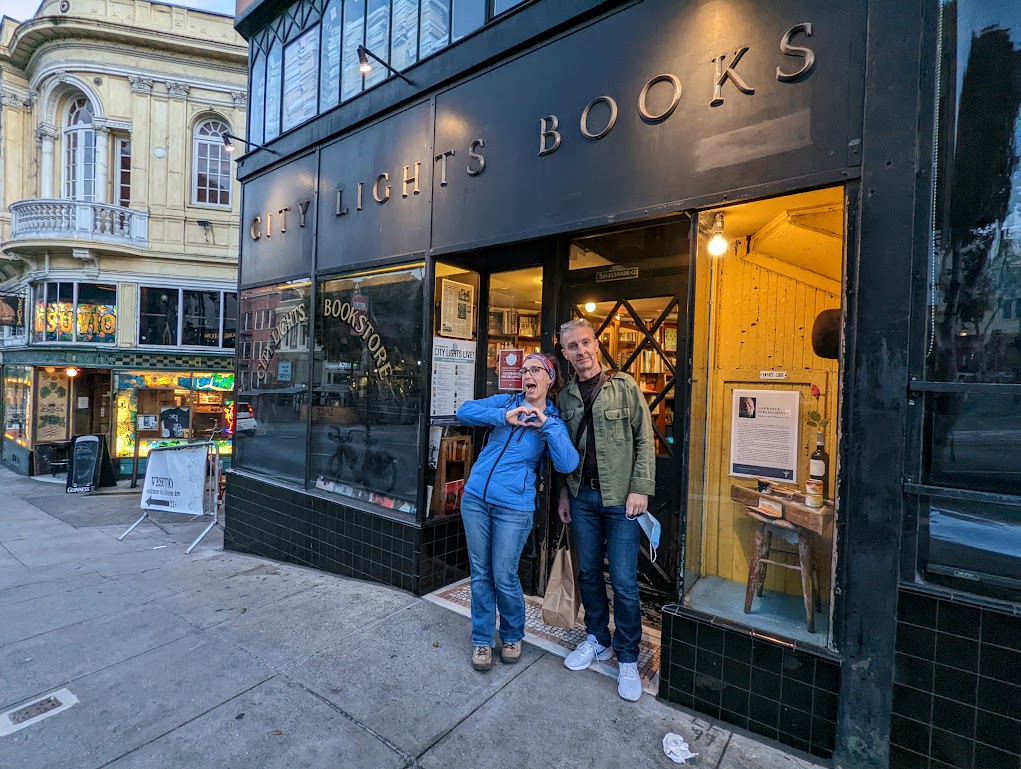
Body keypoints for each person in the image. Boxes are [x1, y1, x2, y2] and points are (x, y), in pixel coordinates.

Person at [456, 352, 579, 672]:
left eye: (536, 370)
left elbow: (568, 463)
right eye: (525, 370)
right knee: (481, 575)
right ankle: (482, 640)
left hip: (515, 508)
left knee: (504, 575)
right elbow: (465, 411)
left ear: (549, 379)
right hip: (476, 500)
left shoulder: (553, 421)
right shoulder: (506, 403)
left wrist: (546, 426)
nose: (528, 375)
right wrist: (503, 417)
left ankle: (511, 635)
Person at [556, 318, 656, 701]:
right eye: (572, 347)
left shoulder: (624, 386)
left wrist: (640, 489)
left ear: (596, 345)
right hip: (582, 498)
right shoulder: (565, 397)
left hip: (622, 500)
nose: (580, 351)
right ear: (564, 353)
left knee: (626, 583)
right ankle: (598, 638)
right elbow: (564, 454)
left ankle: (627, 656)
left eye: (585, 343)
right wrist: (566, 493)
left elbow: (644, 439)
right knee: (588, 573)